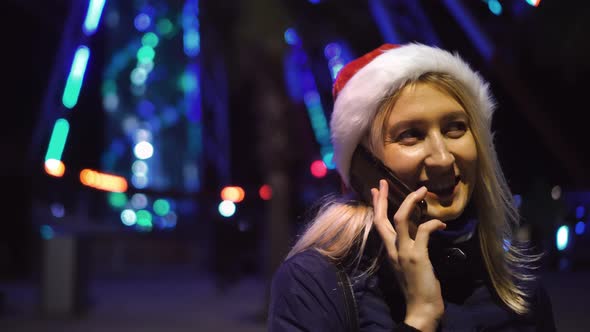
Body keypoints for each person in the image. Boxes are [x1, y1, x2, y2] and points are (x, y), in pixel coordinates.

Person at [266, 43, 556, 331]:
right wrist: (420, 318)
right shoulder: (313, 283)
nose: (442, 158)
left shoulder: (514, 278)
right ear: (362, 170)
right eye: (410, 135)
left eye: (455, 127)